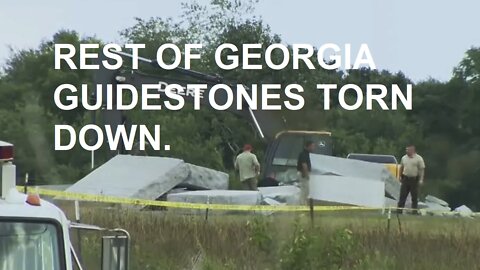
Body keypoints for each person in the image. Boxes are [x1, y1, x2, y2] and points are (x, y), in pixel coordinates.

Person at [397, 145, 426, 214]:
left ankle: (414, 212)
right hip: (405, 179)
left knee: (414, 197)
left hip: (414, 180)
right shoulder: (404, 158)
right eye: (406, 150)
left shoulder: (419, 158)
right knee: (402, 196)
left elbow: (422, 169)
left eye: (408, 150)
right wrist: (400, 176)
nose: (406, 151)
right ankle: (399, 211)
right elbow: (401, 167)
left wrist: (421, 179)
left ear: (412, 150)